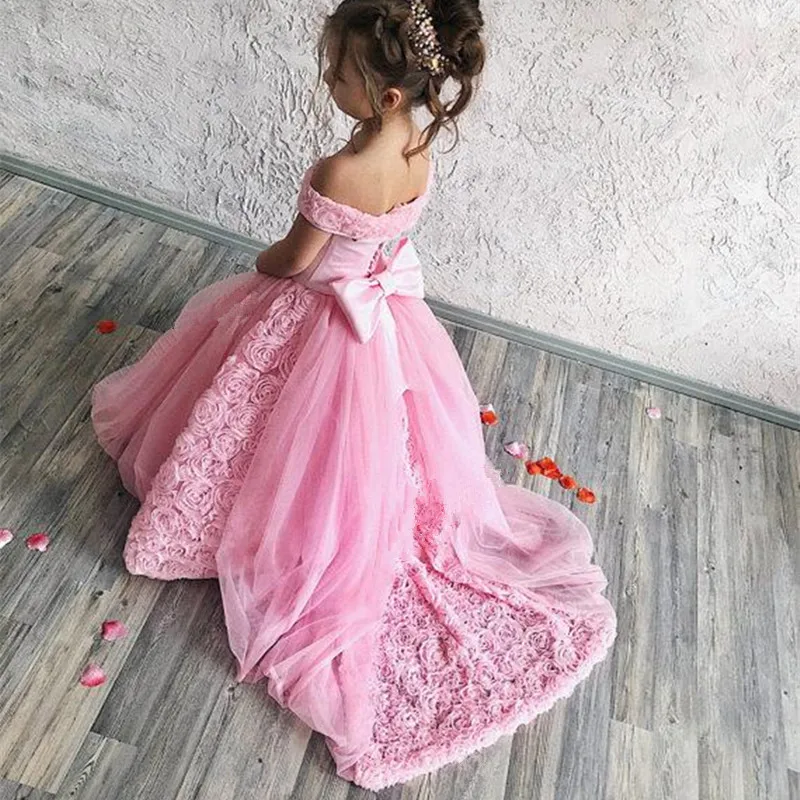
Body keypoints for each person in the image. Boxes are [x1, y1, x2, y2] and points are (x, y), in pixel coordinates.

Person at [90, 0, 616, 790]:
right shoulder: (419, 150)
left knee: (269, 422)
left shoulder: (339, 172)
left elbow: (295, 262)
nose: (327, 81)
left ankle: (258, 526)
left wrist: (260, 267)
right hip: (386, 324)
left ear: (385, 93)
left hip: (320, 320)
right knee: (375, 445)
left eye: (337, 72)